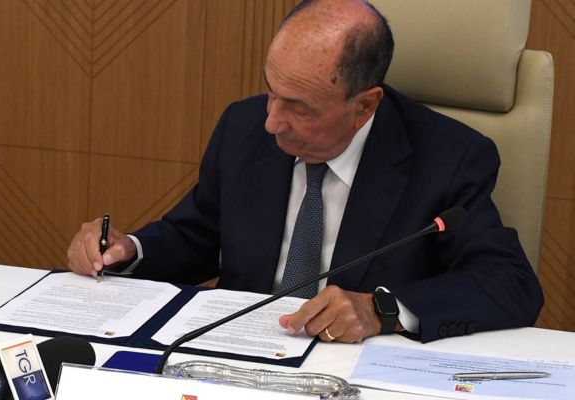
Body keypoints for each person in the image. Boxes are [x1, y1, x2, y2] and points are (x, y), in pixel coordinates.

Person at [67, 0, 543, 344]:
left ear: (365, 105)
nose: (272, 122)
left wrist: (382, 310)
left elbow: (510, 283)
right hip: (235, 358)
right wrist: (129, 250)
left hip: (355, 372)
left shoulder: (449, 157)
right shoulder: (242, 126)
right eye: (271, 92)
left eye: (299, 108)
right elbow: (196, 235)